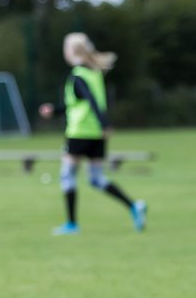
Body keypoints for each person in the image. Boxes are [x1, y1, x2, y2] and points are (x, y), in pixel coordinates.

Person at [38, 33, 146, 235]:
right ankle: (133, 206)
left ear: (72, 51)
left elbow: (90, 100)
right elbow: (77, 104)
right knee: (96, 179)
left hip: (79, 133)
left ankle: (71, 225)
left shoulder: (78, 75)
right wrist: (55, 110)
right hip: (96, 134)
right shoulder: (94, 74)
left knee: (67, 176)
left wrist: (105, 123)